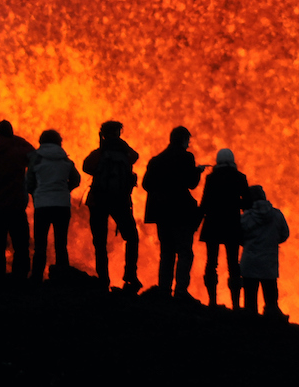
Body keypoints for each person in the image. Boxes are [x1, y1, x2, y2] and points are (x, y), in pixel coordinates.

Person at [142, 125, 202, 299]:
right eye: (188, 141)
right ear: (183, 140)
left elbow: (146, 185)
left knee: (166, 252)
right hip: (181, 212)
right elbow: (191, 183)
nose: (188, 145)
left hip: (162, 213)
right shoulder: (186, 158)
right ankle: (181, 291)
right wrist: (197, 171)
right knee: (184, 251)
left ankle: (164, 289)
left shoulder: (156, 160)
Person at [83, 120, 142, 292]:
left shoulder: (99, 153)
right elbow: (135, 157)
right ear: (118, 133)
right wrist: (122, 145)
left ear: (103, 134)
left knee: (100, 242)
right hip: (120, 200)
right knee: (131, 237)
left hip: (99, 200)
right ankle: (130, 274)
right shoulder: (125, 152)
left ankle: (103, 279)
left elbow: (86, 166)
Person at [0, 120, 34, 287]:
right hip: (16, 207)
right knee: (21, 246)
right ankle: (19, 280)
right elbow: (34, 154)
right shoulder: (18, 154)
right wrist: (17, 140)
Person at [26, 128, 81, 282]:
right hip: (62, 206)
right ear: (59, 142)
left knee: (40, 245)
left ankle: (36, 277)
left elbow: (28, 182)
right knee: (61, 244)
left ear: (41, 141)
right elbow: (76, 179)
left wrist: (36, 193)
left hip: (42, 205)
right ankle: (62, 278)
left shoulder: (36, 159)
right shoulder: (66, 160)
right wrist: (65, 190)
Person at [198, 148, 250, 309]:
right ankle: (235, 303)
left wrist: (195, 222)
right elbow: (248, 203)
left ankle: (212, 301)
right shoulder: (240, 178)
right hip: (232, 225)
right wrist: (235, 204)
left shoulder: (211, 178)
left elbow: (205, 202)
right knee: (233, 263)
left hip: (213, 224)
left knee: (211, 262)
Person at [239, 184, 289, 316]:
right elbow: (284, 234)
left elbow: (238, 235)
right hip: (269, 262)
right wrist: (271, 242)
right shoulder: (277, 215)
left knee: (250, 300)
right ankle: (271, 328)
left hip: (249, 263)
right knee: (271, 299)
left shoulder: (246, 217)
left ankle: (251, 328)